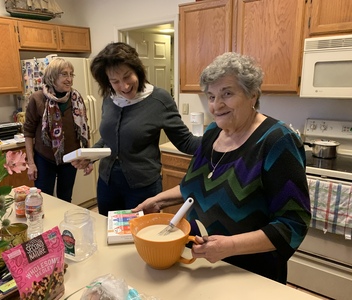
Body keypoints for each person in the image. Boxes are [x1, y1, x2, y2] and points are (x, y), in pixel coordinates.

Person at [132, 52, 311, 284]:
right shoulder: (212, 133)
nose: (216, 105)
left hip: (249, 271)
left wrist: (230, 246)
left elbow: (293, 223)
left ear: (252, 95)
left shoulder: (276, 141)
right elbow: (195, 186)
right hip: (200, 262)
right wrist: (159, 199)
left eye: (227, 93)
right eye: (211, 96)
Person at [90, 42, 201, 216]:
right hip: (107, 183)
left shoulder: (159, 99)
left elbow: (185, 142)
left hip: (142, 187)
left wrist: (220, 140)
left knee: (141, 237)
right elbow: (109, 137)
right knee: (108, 234)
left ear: (138, 71)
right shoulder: (109, 98)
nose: (124, 86)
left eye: (127, 77)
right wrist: (90, 155)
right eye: (115, 81)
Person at [23, 58, 92, 202]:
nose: (69, 79)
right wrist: (31, 163)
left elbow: (85, 129)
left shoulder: (76, 99)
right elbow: (28, 133)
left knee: (66, 199)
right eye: (64, 74)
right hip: (44, 158)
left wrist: (88, 158)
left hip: (70, 159)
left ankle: (62, 225)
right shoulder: (37, 99)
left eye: (71, 74)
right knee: (43, 199)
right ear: (52, 77)